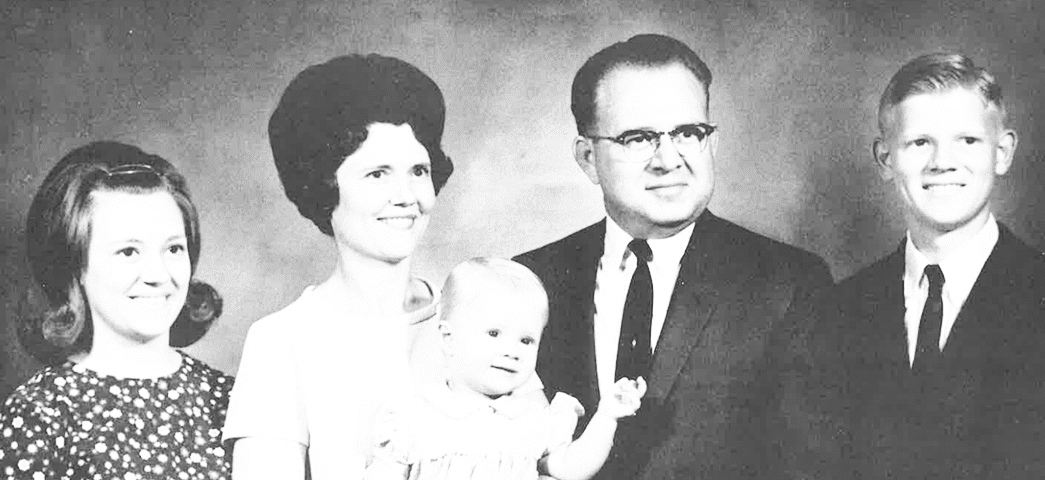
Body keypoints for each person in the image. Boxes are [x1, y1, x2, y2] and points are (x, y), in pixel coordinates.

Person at [513, 34, 833, 479]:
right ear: (587, 158)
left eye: (688, 133)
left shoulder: (788, 284)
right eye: (638, 138)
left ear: (711, 144)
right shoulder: (529, 281)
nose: (668, 159)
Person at [804, 53, 1045, 479]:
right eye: (919, 143)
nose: (942, 162)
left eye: (967, 140)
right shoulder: (839, 310)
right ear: (885, 159)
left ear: (1003, 152)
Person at [224, 53, 455, 480]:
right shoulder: (282, 341)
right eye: (378, 174)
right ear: (323, 186)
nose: (406, 196)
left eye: (418, 171)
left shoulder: (476, 316)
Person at [0, 141, 231, 479]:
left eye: (173, 249)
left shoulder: (228, 398)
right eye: (128, 252)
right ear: (75, 266)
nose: (158, 275)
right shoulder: (40, 413)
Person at [365, 258, 647, 480]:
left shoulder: (534, 420)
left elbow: (573, 468)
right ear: (448, 338)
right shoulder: (413, 418)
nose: (512, 351)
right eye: (494, 334)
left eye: (526, 340)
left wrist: (607, 417)